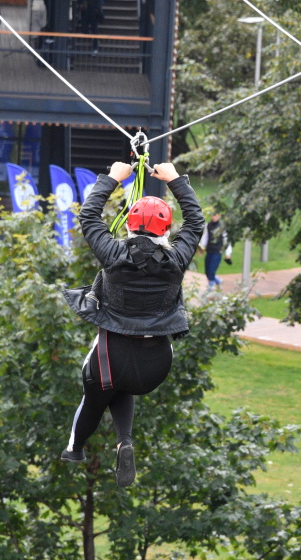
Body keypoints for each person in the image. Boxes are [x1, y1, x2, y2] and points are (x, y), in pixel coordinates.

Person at [62, 161, 205, 487]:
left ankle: (75, 448)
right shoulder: (177, 259)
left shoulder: (112, 254)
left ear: (128, 226)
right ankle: (123, 440)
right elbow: (195, 221)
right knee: (120, 384)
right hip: (156, 366)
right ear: (167, 231)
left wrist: (113, 176)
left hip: (111, 358)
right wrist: (174, 180)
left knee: (96, 393)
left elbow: (88, 216)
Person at [198, 213, 232, 291]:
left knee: (211, 271)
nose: (214, 217)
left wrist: (228, 253)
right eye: (213, 215)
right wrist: (202, 248)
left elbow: (227, 240)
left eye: (216, 215)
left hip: (217, 252)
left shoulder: (222, 227)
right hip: (209, 251)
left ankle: (211, 287)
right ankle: (218, 281)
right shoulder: (208, 225)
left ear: (219, 216)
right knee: (207, 271)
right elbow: (205, 237)